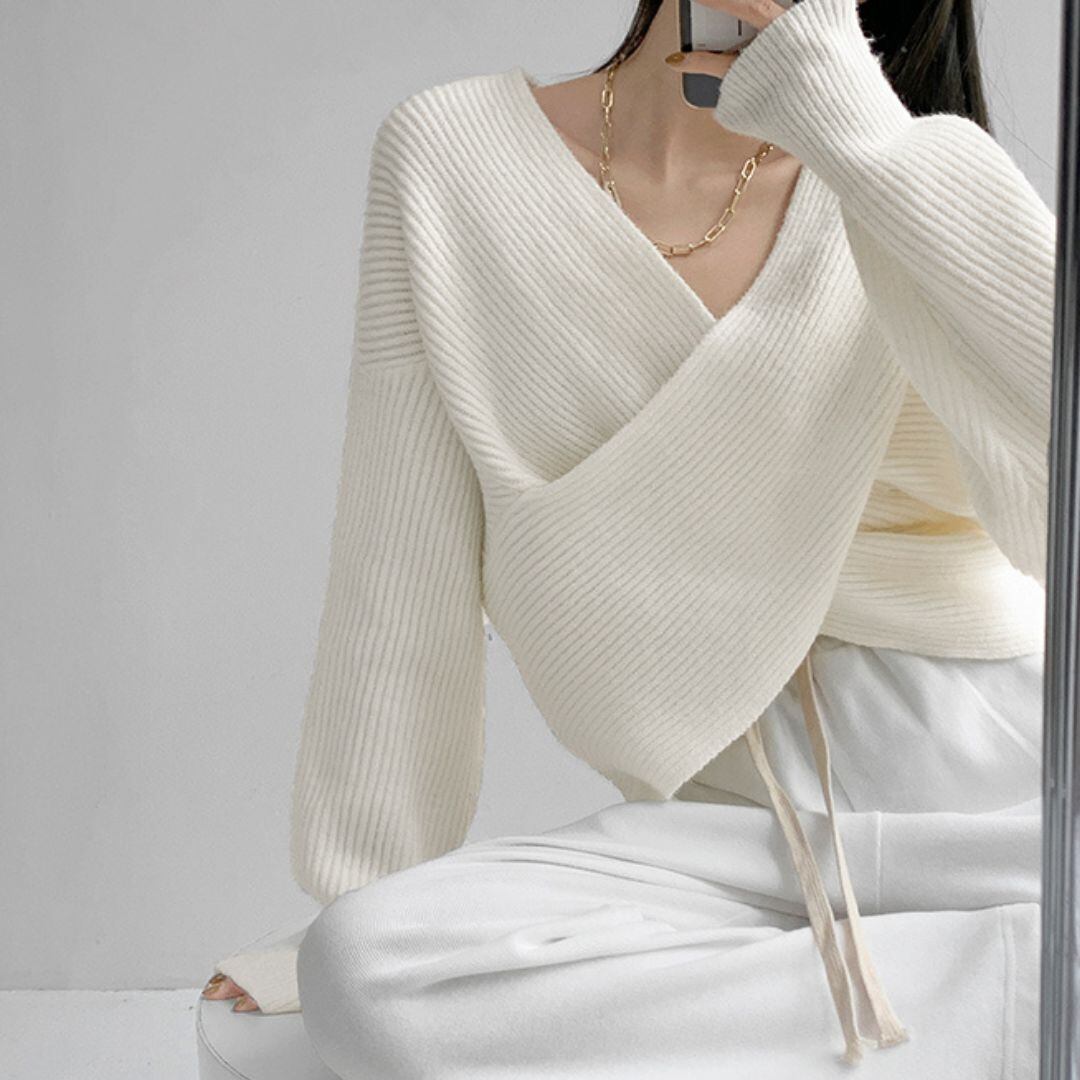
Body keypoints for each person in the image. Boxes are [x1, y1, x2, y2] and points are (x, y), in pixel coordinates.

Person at [203, 0, 1053, 1074]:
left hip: (1004, 786)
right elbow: (399, 560)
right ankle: (1032, 990)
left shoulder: (903, 160)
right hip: (733, 834)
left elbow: (1056, 499)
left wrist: (855, 127)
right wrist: (359, 888)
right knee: (373, 970)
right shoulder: (455, 157)